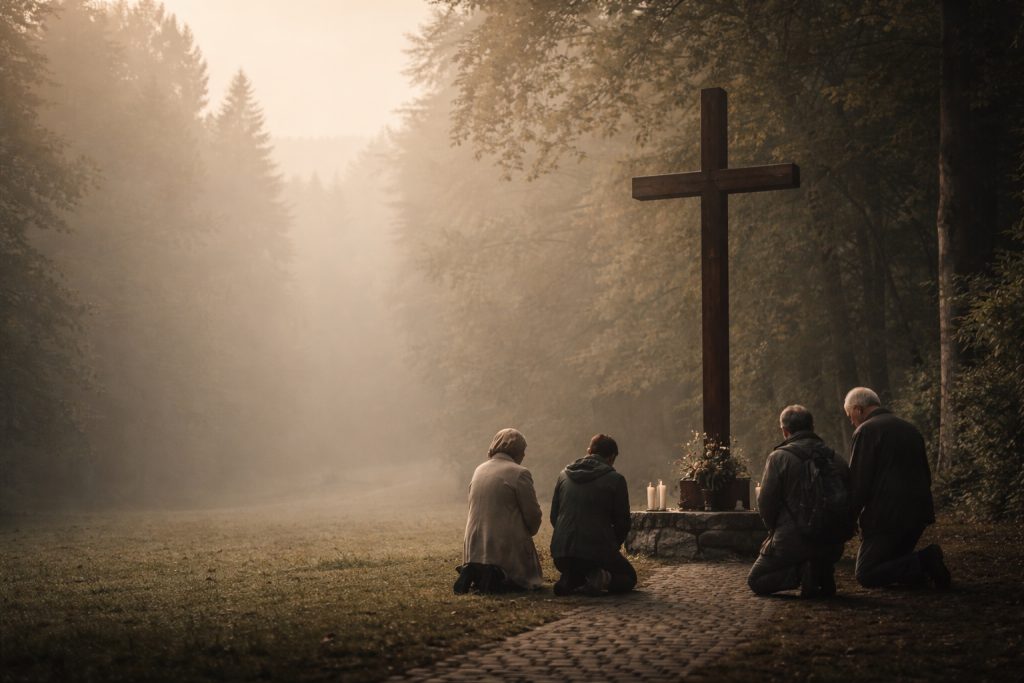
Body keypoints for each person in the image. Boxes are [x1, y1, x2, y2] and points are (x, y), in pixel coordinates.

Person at [844, 387, 951, 589]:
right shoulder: (910, 429)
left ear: (858, 409)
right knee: (891, 563)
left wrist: (850, 519)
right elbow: (925, 474)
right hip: (918, 515)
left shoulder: (866, 431)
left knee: (866, 573)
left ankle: (926, 559)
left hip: (886, 518)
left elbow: (859, 482)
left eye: (850, 415)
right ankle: (920, 571)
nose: (851, 421)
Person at [748, 405, 850, 598]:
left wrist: (774, 532)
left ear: (785, 431)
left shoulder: (779, 457)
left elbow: (766, 504)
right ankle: (820, 569)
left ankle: (803, 571)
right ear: (812, 427)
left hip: (792, 542)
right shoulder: (835, 458)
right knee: (818, 553)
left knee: (756, 581)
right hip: (833, 542)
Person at [454, 428, 543, 594]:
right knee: (527, 580)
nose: (524, 456)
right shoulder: (520, 473)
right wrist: (529, 532)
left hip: (474, 547)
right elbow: (532, 516)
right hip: (502, 546)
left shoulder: (479, 470)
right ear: (517, 451)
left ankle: (474, 569)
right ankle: (498, 574)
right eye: (523, 451)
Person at [549, 434, 636, 596]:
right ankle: (600, 577)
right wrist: (612, 547)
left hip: (561, 554)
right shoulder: (615, 479)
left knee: (577, 564)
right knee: (629, 577)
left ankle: (572, 579)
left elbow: (554, 516)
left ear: (588, 451)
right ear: (611, 457)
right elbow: (622, 523)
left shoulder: (563, 475)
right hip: (596, 553)